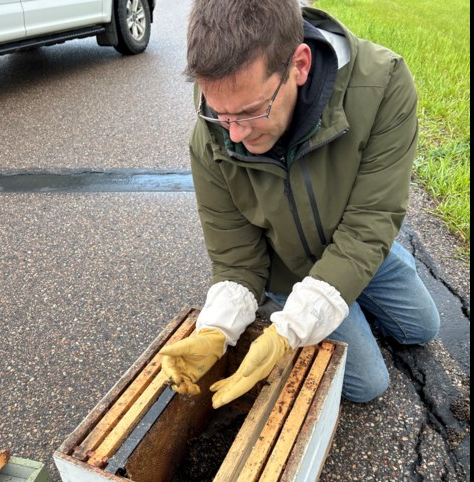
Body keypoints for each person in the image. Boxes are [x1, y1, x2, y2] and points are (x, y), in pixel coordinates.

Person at [160, 0, 440, 409]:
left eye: (251, 112)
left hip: (352, 235)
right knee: (368, 384)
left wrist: (295, 327)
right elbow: (237, 257)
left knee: (422, 327)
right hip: (285, 263)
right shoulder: (212, 138)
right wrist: (216, 330)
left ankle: (343, 289)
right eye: (221, 114)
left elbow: (370, 221)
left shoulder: (384, 86)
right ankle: (304, 297)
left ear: (300, 64)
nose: (234, 135)